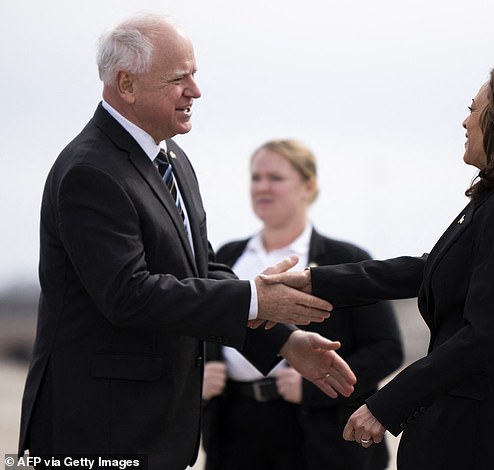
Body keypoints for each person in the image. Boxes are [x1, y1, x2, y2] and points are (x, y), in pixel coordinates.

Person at [17, 13, 356, 470]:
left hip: (160, 433)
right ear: (127, 84)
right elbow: (128, 295)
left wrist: (280, 339)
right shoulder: (89, 172)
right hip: (98, 431)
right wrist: (255, 299)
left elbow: (199, 272)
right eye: (179, 78)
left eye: (194, 74)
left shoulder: (172, 159)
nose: (195, 90)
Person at [264, 63, 494, 470]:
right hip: (492, 412)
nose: (465, 121)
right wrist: (314, 282)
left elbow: (483, 334)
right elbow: (429, 268)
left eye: (475, 109)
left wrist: (385, 405)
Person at [201, 139, 404, 470]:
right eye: (256, 177)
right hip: (233, 426)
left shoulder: (346, 261)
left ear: (308, 186)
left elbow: (387, 350)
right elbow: (201, 325)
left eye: (275, 178)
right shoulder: (226, 257)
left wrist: (313, 388)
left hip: (318, 433)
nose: (262, 187)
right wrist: (201, 381)